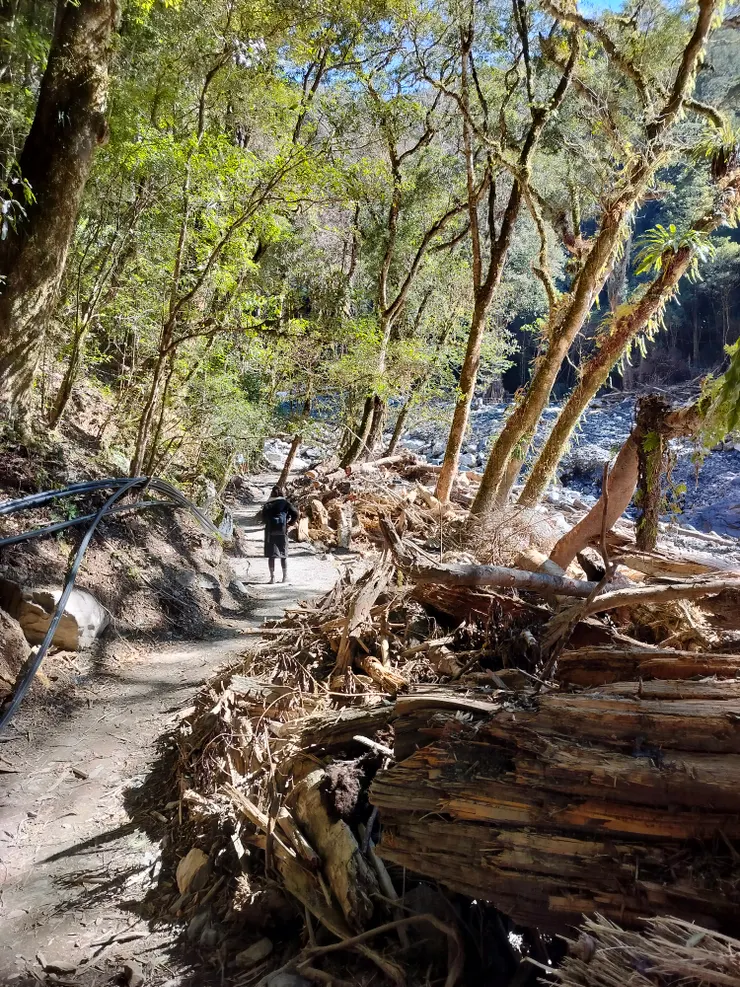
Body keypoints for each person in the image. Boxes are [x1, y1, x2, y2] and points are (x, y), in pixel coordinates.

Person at [262, 484, 299, 583]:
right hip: (282, 531)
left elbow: (263, 517)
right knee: (283, 554)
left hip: (270, 532)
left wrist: (269, 522)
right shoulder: (285, 503)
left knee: (271, 555)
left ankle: (272, 578)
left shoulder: (268, 504)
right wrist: (289, 524)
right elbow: (296, 514)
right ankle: (284, 577)